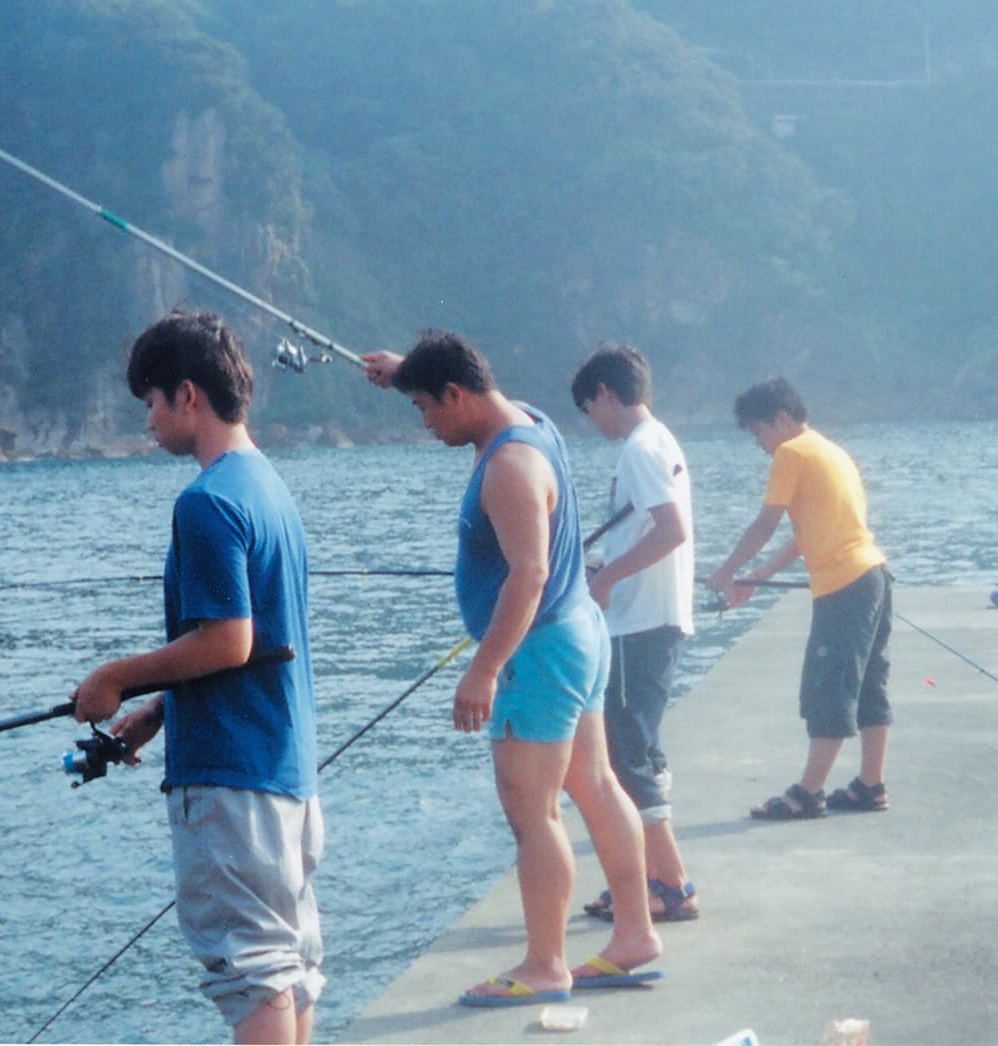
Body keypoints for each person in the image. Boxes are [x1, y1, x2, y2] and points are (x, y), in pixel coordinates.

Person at [363, 332, 662, 1007]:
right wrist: (401, 370)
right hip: (579, 628)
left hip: (539, 649)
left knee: (533, 811)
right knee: (595, 780)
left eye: (425, 407)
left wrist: (483, 670)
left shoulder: (508, 467)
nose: (425, 421)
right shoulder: (530, 417)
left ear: (457, 395)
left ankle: (545, 964)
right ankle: (635, 937)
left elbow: (527, 574)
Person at [71, 310, 324, 1044]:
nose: (147, 420)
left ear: (188, 395)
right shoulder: (268, 487)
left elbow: (229, 639)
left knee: (253, 976)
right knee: (290, 966)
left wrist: (116, 675)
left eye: (150, 401)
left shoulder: (206, 502)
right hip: (287, 773)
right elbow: (257, 642)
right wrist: (156, 712)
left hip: (231, 782)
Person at [706, 377, 893, 820]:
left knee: (829, 687)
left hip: (845, 586)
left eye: (758, 432)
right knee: (869, 684)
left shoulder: (791, 453)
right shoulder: (831, 451)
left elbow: (767, 523)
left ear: (782, 420)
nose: (760, 444)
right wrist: (755, 577)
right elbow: (803, 536)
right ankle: (870, 785)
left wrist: (727, 570)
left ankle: (807, 794)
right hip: (874, 575)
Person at [570, 344, 698, 922]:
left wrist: (608, 578)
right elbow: (650, 530)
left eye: (588, 408)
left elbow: (671, 529)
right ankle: (649, 880)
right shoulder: (658, 441)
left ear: (604, 394)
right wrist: (605, 565)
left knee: (626, 758)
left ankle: (671, 886)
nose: (591, 421)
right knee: (639, 749)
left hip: (638, 624)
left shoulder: (640, 449)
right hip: (651, 619)